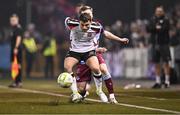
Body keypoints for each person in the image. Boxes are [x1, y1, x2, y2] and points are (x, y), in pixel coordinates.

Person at [64, 13, 129, 102]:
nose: (84, 27)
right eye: (82, 25)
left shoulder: (97, 27)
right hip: (75, 51)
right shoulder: (71, 23)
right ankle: (75, 94)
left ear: (91, 22)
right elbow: (66, 20)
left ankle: (99, 91)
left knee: (96, 68)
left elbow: (106, 34)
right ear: (79, 22)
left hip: (89, 51)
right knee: (67, 67)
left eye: (86, 25)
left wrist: (120, 39)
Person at [147, 6, 171, 88]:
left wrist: (156, 28)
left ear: (163, 12)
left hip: (164, 44)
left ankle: (167, 81)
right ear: (155, 12)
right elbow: (149, 28)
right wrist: (156, 28)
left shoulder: (166, 19)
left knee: (166, 62)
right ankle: (158, 81)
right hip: (155, 44)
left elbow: (165, 29)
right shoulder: (153, 19)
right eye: (157, 11)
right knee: (156, 63)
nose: (159, 12)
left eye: (160, 11)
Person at [9, 14, 23, 88]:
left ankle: (18, 81)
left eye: (14, 20)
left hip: (16, 49)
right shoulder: (14, 28)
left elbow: (19, 38)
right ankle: (16, 81)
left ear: (17, 20)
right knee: (14, 65)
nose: (12, 21)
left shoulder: (18, 28)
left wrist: (16, 48)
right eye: (11, 20)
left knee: (17, 65)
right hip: (14, 49)